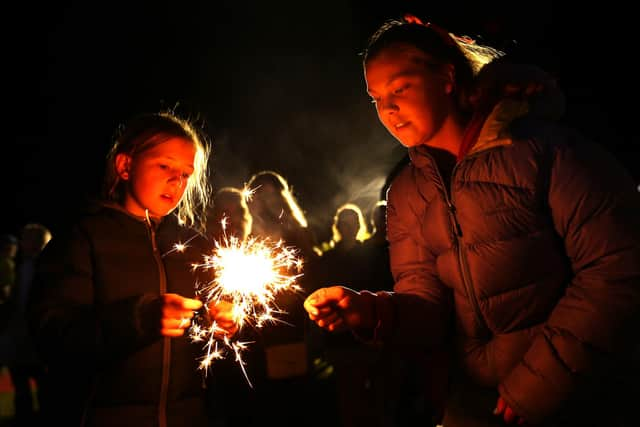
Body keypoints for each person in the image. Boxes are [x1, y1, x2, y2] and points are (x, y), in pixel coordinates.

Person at [304, 13, 640, 427]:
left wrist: (537, 385)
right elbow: (427, 307)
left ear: (446, 78)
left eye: (400, 88)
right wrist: (371, 312)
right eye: (376, 98)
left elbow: (617, 269)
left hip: (575, 401)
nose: (388, 108)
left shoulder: (543, 153)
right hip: (471, 408)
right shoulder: (408, 192)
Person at [27, 110, 238, 426]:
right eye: (165, 166)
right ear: (125, 166)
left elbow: (213, 335)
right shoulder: (84, 239)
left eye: (185, 173)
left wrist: (226, 322)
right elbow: (53, 337)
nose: (176, 181)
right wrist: (139, 318)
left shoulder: (195, 246)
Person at [5, 223, 52, 426]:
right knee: (22, 382)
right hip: (21, 336)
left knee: (42, 385)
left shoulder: (48, 269)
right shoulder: (18, 267)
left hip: (39, 337)